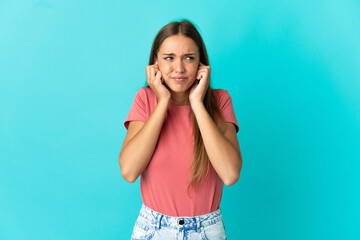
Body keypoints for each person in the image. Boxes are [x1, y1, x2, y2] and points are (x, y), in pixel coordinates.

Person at [119, 19, 242, 240]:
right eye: (169, 58)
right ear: (155, 63)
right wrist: (163, 101)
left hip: (207, 230)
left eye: (189, 58)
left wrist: (196, 103)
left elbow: (230, 174)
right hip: (153, 229)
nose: (179, 68)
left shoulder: (220, 101)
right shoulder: (145, 99)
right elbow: (129, 171)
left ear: (200, 64)